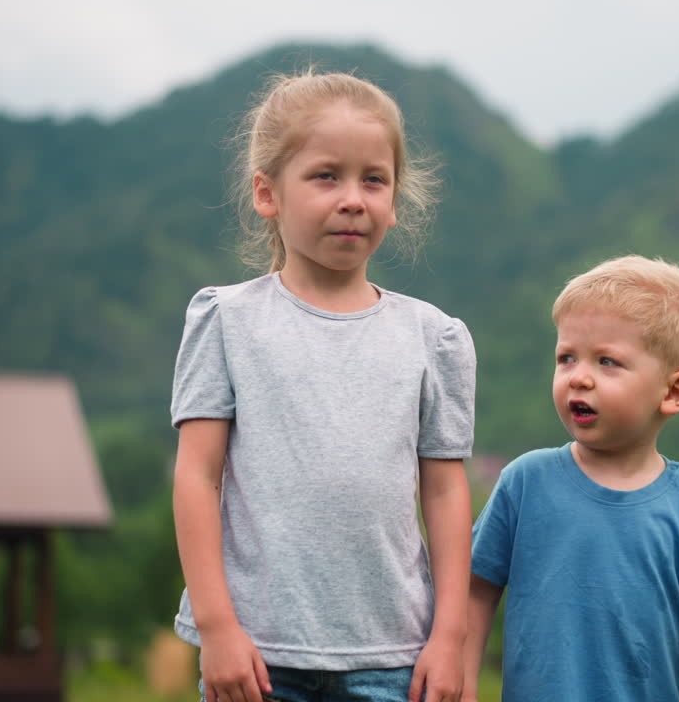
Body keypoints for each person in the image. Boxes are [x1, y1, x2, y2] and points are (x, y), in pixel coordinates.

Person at [170, 70, 475, 702]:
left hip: (394, 659)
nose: (353, 199)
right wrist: (217, 628)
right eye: (326, 176)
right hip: (257, 658)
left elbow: (445, 492)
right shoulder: (227, 320)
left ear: (395, 199)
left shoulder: (434, 338)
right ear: (268, 193)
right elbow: (197, 476)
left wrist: (450, 638)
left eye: (374, 179)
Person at [462, 255, 679, 702]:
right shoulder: (525, 483)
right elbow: (474, 591)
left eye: (607, 361)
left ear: (674, 391)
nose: (579, 378)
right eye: (567, 358)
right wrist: (462, 684)